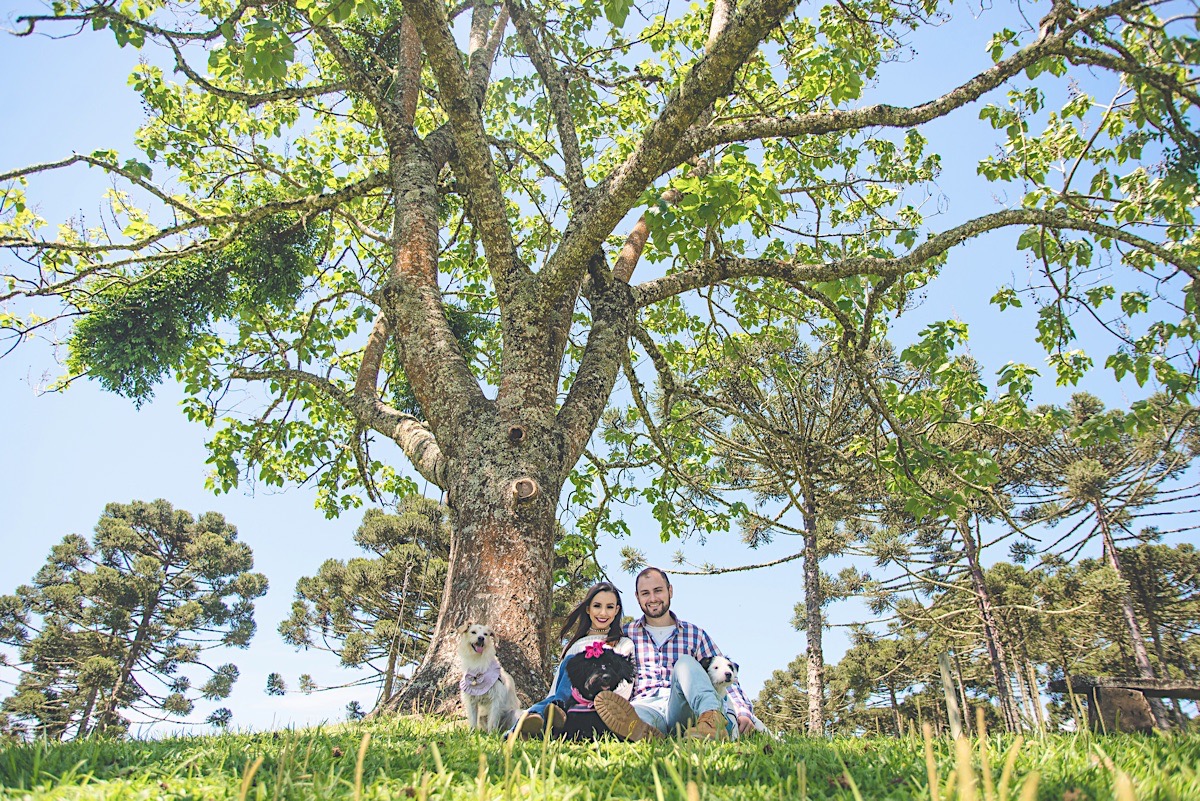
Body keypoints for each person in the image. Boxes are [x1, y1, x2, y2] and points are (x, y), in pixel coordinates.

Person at [593, 567, 754, 741]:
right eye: (645, 593)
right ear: (637, 597)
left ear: (670, 591)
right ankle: (642, 732)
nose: (653, 598)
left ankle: (712, 722)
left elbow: (725, 674)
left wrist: (743, 712)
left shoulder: (695, 634)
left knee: (685, 662)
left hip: (684, 708)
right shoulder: (625, 634)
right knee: (635, 718)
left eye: (658, 591)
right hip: (645, 705)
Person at [512, 581, 635, 738]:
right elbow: (556, 690)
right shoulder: (574, 646)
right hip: (567, 705)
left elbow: (624, 688)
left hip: (600, 708)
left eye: (609, 607)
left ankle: (526, 727)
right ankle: (534, 723)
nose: (603, 613)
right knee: (553, 698)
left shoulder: (624, 644)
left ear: (617, 610)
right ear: (588, 609)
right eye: (597, 606)